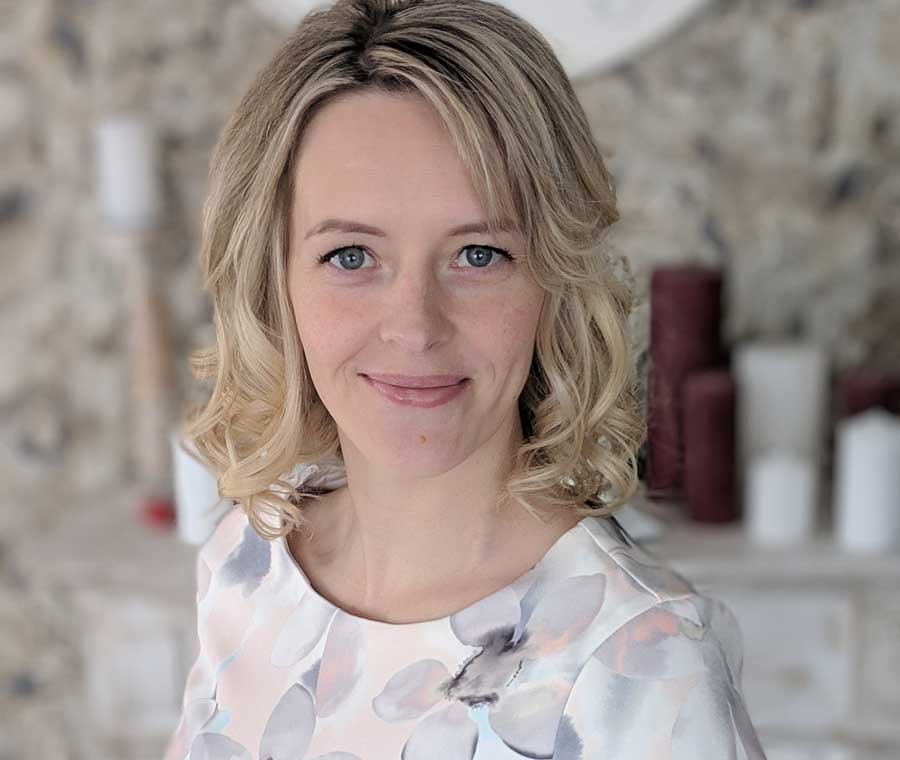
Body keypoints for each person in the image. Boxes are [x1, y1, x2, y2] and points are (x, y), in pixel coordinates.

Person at [164, 0, 768, 758]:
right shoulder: (246, 559)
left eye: (478, 255)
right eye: (350, 256)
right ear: (274, 282)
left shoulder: (644, 665)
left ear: (553, 280)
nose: (415, 326)